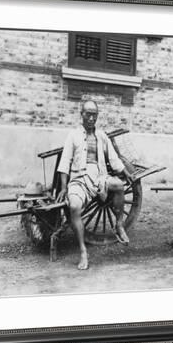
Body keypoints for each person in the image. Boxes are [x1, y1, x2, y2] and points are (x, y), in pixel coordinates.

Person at [56, 100, 134, 270]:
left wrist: (126, 172)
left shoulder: (101, 136)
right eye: (88, 114)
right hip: (80, 178)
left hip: (99, 177)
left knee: (119, 185)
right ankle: (83, 251)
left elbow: (113, 159)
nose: (91, 118)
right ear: (81, 114)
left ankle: (119, 225)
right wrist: (63, 187)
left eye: (94, 115)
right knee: (75, 206)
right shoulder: (73, 135)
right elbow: (65, 162)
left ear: (97, 116)